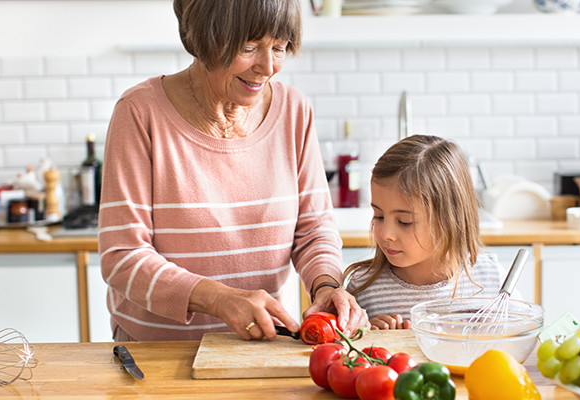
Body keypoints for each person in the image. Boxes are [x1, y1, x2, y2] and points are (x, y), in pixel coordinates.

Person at [98, 0, 367, 342]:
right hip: (157, 355)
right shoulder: (139, 112)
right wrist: (218, 299)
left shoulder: (294, 111)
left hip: (258, 346)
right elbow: (122, 257)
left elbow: (313, 229)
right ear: (204, 38)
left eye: (280, 48)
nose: (267, 66)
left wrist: (326, 285)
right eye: (249, 47)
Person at [344, 135, 510, 330]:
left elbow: (516, 343)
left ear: (449, 219)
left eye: (405, 222)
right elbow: (345, 351)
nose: (386, 233)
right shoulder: (363, 289)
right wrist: (368, 335)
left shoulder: (492, 277)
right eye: (379, 216)